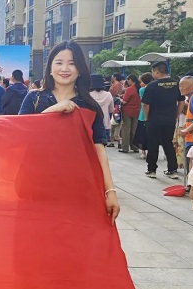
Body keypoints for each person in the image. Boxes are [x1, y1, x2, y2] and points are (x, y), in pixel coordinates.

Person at [19, 40, 120, 224]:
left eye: (72, 63)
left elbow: (99, 152)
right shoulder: (34, 98)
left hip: (76, 185)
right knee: (34, 233)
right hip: (35, 182)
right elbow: (21, 134)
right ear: (50, 68)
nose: (64, 68)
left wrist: (110, 191)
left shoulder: (89, 106)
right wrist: (53, 110)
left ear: (80, 69)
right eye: (59, 62)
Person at [141, 61, 185, 179]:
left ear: (157, 71)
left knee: (153, 143)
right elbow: (181, 101)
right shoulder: (176, 84)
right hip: (170, 119)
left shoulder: (152, 86)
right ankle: (172, 169)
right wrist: (176, 115)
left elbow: (146, 104)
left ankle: (152, 170)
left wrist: (147, 118)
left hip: (154, 119)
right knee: (168, 143)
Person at [89, 74, 114, 147]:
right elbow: (111, 109)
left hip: (91, 122)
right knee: (102, 146)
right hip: (105, 123)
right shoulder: (108, 95)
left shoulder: (88, 95)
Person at [119, 74, 141, 153]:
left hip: (128, 111)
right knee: (134, 129)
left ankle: (125, 148)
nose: (127, 82)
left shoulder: (129, 89)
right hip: (137, 111)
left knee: (126, 129)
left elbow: (124, 101)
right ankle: (135, 147)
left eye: (128, 80)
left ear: (131, 80)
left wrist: (120, 99)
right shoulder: (140, 88)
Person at [135, 73, 154, 158]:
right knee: (151, 135)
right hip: (153, 114)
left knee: (142, 134)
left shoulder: (142, 90)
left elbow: (143, 102)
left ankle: (143, 152)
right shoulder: (154, 89)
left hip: (143, 114)